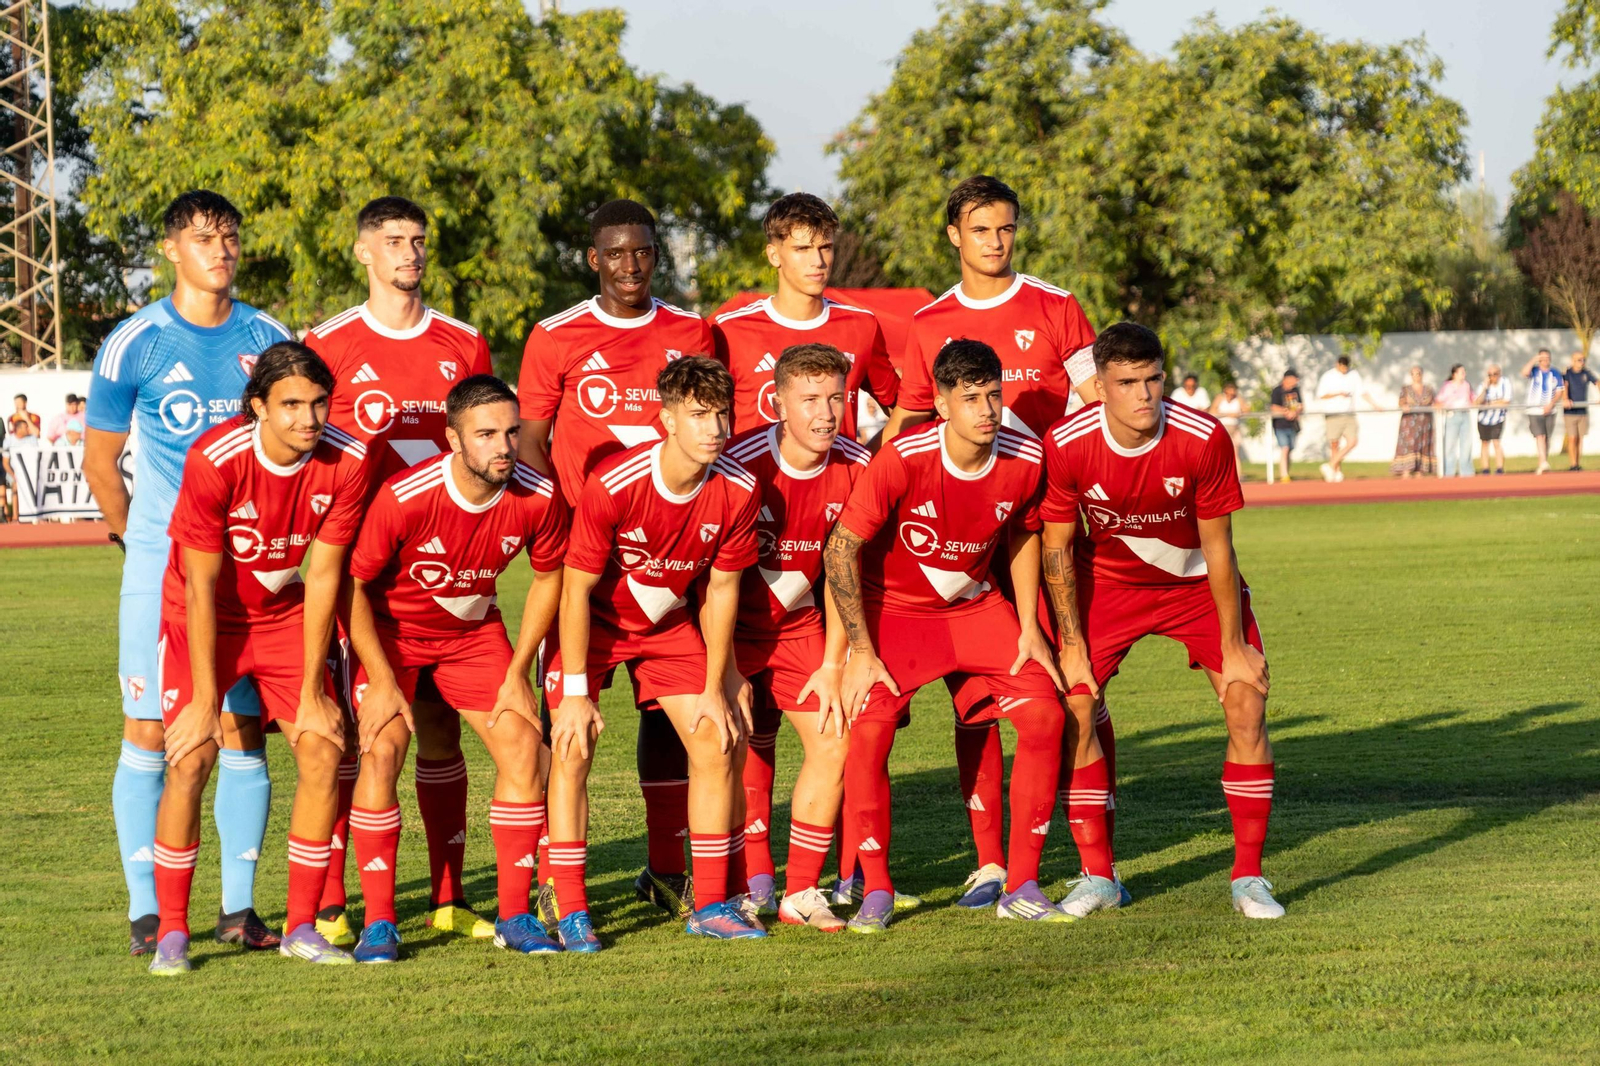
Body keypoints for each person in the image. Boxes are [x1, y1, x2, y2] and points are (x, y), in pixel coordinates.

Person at [876, 175, 1105, 908]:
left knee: (1076, 690)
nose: (997, 242)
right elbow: (909, 424)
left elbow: (1095, 406)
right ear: (955, 235)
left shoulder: (1057, 307)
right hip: (967, 542)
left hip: (1050, 530)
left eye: (1006, 229)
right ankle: (991, 864)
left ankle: (1097, 863)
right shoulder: (929, 321)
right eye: (982, 230)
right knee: (974, 700)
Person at [82, 190, 293, 957]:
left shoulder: (267, 336)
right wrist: (136, 539)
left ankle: (239, 912)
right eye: (204, 238)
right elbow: (101, 463)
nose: (221, 251)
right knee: (151, 727)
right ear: (172, 249)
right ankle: (147, 911)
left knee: (243, 731)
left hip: (249, 569)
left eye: (230, 238)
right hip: (160, 566)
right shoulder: (133, 341)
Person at [826, 338, 1097, 932]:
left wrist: (1029, 625)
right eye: (971, 398)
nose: (987, 410)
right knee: (867, 733)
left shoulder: (1025, 456)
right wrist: (859, 650)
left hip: (978, 610)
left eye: (994, 395)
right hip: (896, 614)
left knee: (1046, 717)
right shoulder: (902, 457)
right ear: (942, 405)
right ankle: (876, 888)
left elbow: (1025, 534)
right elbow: (841, 548)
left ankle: (1021, 883)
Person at [1039, 322, 1280, 921]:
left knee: (1246, 700)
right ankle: (1099, 876)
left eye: (1153, 380)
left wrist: (1231, 648)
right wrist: (1071, 645)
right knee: (1074, 702)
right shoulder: (1068, 443)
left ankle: (1249, 877)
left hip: (1196, 583)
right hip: (1111, 586)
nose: (1143, 395)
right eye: (1127, 383)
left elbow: (1220, 551)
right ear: (1100, 385)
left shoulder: (1202, 438)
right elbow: (1057, 550)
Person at [305, 196, 496, 945]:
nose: (409, 253)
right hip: (359, 575)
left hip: (448, 575)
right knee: (362, 735)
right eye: (393, 241)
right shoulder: (327, 343)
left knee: (442, 730)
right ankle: (332, 900)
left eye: (418, 241)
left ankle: (448, 897)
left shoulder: (464, 343)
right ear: (363, 253)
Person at [145, 342, 369, 974]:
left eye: (319, 402)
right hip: (205, 620)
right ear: (258, 408)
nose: (308, 417)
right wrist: (203, 701)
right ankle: (171, 933)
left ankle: (303, 927)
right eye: (291, 404)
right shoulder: (216, 458)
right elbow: (197, 585)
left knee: (324, 746)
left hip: (285, 618)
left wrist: (312, 689)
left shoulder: (348, 460)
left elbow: (324, 575)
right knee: (191, 758)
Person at [518, 199, 714, 918]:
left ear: (656, 254)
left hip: (667, 567)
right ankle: (554, 882)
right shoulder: (555, 336)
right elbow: (533, 443)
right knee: (567, 724)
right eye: (617, 253)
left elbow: (701, 435)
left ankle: (666, 871)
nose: (631, 266)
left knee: (669, 719)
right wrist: (568, 525)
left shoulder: (691, 332)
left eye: (644, 252)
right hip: (586, 569)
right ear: (593, 258)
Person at [343, 376, 569, 961]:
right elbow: (353, 586)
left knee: (525, 748)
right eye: (487, 434)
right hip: (391, 636)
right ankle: (380, 922)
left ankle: (515, 915)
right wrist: (383, 678)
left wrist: (520, 669)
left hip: (472, 637)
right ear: (452, 439)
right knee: (383, 746)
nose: (504, 446)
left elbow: (550, 578)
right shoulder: (404, 496)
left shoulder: (538, 496)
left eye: (512, 433)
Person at [543, 356, 764, 948]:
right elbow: (576, 588)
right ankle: (569, 906)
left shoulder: (739, 488)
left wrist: (719, 681)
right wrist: (575, 695)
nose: (714, 428)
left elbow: (721, 590)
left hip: (667, 628)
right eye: (698, 415)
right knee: (572, 744)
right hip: (593, 626)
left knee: (718, 740)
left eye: (722, 414)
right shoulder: (614, 483)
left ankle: (711, 903)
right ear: (666, 419)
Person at [722, 344, 868, 929]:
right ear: (778, 402)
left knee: (834, 736)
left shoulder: (856, 465)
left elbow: (842, 570)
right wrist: (720, 669)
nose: (825, 413)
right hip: (727, 630)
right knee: (736, 744)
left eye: (836, 397)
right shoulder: (739, 462)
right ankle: (752, 879)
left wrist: (834, 664)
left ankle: (800, 889)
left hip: (801, 625)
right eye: (810, 399)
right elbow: (712, 575)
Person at [711, 192, 899, 437]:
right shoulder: (728, 330)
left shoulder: (861, 325)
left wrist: (869, 464)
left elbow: (905, 408)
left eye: (826, 247)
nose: (818, 261)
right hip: (759, 476)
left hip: (841, 475)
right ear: (773, 255)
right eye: (803, 248)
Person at [1316, 355, 1378, 482]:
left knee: (1352, 441)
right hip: (1333, 414)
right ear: (1337, 364)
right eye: (1342, 367)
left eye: (1346, 367)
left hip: (1349, 414)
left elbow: (1362, 391)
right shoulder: (1328, 376)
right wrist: (1338, 393)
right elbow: (1321, 395)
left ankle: (1330, 465)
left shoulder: (1353, 375)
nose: (1344, 370)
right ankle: (1336, 472)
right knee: (1334, 444)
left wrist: (1374, 405)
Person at [1521, 349, 1566, 475]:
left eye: (1547, 358)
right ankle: (1543, 462)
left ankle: (1543, 461)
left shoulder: (1555, 372)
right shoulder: (1534, 371)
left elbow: (1559, 391)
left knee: (1547, 437)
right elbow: (1524, 372)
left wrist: (1551, 404)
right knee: (1540, 435)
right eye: (1542, 358)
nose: (1545, 360)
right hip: (1534, 409)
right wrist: (1533, 360)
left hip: (1550, 410)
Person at [1390, 365, 1436, 478]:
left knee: (1423, 444)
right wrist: (1404, 405)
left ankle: (1420, 469)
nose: (1416, 376)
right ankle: (1406, 470)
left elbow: (1434, 402)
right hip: (1409, 422)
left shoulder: (1428, 389)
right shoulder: (1406, 389)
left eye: (1418, 373)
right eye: (1413, 374)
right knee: (1409, 445)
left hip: (1425, 421)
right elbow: (1401, 402)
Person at [1435, 364, 1475, 478]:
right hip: (1452, 415)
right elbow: (1439, 400)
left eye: (1464, 372)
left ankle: (1466, 472)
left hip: (1465, 414)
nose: (1464, 374)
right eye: (1461, 372)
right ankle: (1449, 472)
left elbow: (1473, 399)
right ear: (1454, 374)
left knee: (1466, 444)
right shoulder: (1447, 386)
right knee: (1450, 445)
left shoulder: (1466, 385)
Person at [1562, 351, 1597, 470]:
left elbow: (1597, 382)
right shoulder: (1567, 373)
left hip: (1582, 410)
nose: (1581, 362)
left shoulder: (1586, 373)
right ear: (1573, 360)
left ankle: (1577, 464)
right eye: (1579, 360)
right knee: (1572, 438)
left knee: (1580, 438)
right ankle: (1573, 464)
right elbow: (1564, 386)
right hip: (1570, 412)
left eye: (1583, 360)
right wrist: (1566, 398)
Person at [1475, 363, 1512, 475]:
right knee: (1484, 443)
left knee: (1496, 442)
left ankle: (1499, 468)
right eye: (1490, 374)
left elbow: (1506, 401)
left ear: (1499, 374)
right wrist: (1485, 388)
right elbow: (1477, 402)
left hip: (1498, 418)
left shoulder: (1505, 383)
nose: (1492, 377)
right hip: (1483, 419)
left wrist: (1490, 403)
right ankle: (1485, 468)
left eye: (1495, 374)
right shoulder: (1483, 386)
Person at [1268, 369, 1302, 481]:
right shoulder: (1277, 391)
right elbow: (1273, 407)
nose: (1296, 381)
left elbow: (1301, 405)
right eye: (1294, 379)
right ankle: (1284, 474)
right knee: (1285, 448)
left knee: (1290, 449)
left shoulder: (1296, 390)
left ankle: (1286, 472)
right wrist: (1286, 412)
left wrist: (1295, 412)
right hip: (1280, 425)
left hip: (1292, 425)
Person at [1210, 382, 1245, 475]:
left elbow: (1246, 410)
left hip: (1235, 428)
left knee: (1235, 453)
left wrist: (1238, 414)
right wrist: (1227, 414)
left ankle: (1237, 474)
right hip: (1222, 428)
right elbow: (1212, 411)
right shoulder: (1220, 398)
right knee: (1221, 453)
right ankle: (1219, 474)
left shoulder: (1238, 399)